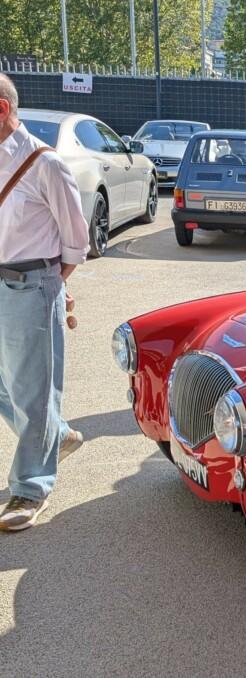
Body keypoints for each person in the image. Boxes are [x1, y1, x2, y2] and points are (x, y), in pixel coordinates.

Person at [0, 73, 90, 532]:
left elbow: (76, 241)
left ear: (1, 109)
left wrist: (50, 284)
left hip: (30, 286)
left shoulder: (44, 164)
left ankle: (30, 487)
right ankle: (56, 434)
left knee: (33, 390)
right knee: (8, 388)